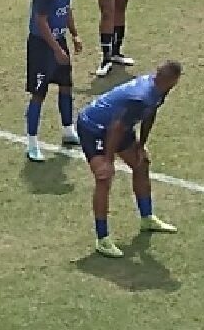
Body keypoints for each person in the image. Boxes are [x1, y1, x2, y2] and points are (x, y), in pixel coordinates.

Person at [76, 61, 182, 258]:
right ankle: (103, 239)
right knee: (104, 177)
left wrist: (141, 145)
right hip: (94, 127)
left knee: (142, 164)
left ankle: (147, 217)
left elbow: (150, 114)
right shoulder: (141, 97)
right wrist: (108, 160)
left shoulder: (160, 90)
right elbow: (116, 128)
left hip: (118, 126)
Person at [24, 0, 84, 162]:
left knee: (66, 86)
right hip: (42, 46)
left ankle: (68, 130)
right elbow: (40, 21)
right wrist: (57, 49)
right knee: (39, 93)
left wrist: (74, 34)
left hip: (59, 41)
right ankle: (32, 143)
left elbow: (66, 9)